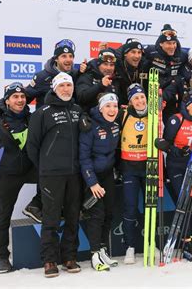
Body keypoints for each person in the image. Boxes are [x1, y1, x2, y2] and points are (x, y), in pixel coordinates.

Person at [0, 82, 37, 273]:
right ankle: (1, 257)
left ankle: (35, 206)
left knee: (53, 178)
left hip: (28, 169)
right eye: (15, 97)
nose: (20, 100)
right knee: (3, 216)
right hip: (5, 175)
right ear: (7, 100)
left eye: (22, 97)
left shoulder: (32, 118)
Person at [27, 72, 83, 278]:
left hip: (74, 173)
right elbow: (32, 146)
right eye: (62, 86)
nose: (67, 89)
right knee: (50, 217)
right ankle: (49, 260)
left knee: (72, 216)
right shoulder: (43, 112)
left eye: (69, 85)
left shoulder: (77, 110)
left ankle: (69, 256)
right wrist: (46, 166)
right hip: (51, 174)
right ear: (54, 88)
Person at [22, 39, 82, 223]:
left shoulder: (76, 75)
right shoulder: (42, 77)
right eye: (64, 56)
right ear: (56, 58)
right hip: (45, 128)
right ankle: (35, 206)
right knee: (47, 170)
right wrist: (26, 120)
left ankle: (56, 208)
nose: (68, 59)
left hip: (67, 126)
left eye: (71, 56)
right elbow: (24, 96)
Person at [155, 91, 192, 261]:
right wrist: (176, 150)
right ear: (188, 106)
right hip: (177, 167)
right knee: (185, 203)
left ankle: (188, 239)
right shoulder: (177, 119)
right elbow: (165, 143)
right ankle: (185, 243)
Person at [79, 93, 121, 271]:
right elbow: (84, 158)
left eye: (115, 106)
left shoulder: (116, 125)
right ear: (101, 108)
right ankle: (94, 254)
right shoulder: (90, 126)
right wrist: (92, 183)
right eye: (108, 106)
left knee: (109, 213)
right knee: (96, 215)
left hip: (107, 175)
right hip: (92, 177)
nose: (112, 110)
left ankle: (103, 250)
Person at [119, 83, 148, 264]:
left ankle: (150, 243)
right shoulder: (123, 114)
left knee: (150, 208)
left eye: (142, 97)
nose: (140, 101)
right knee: (130, 207)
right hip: (129, 169)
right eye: (136, 98)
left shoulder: (154, 114)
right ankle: (130, 246)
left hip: (148, 167)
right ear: (130, 100)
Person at [143, 24, 187, 122]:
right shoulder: (151, 51)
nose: (172, 47)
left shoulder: (182, 55)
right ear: (161, 44)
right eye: (168, 43)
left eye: (173, 43)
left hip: (169, 96)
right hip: (151, 95)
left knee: (167, 123)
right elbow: (127, 50)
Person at [115, 38, 146, 105]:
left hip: (140, 106)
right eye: (133, 52)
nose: (137, 56)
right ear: (125, 54)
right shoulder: (117, 66)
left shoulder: (145, 65)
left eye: (139, 52)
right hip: (119, 107)